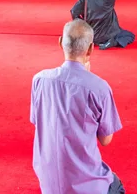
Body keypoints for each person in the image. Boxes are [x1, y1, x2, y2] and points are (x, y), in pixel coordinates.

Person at [31, 20, 125, 194]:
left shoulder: (39, 80)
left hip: (48, 183)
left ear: (60, 43)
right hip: (85, 186)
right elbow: (106, 140)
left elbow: (38, 121)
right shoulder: (99, 88)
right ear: (90, 49)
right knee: (116, 184)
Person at [71, 0, 135, 50]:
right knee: (129, 35)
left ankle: (104, 40)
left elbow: (73, 11)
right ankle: (113, 42)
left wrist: (83, 25)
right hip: (108, 34)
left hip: (91, 34)